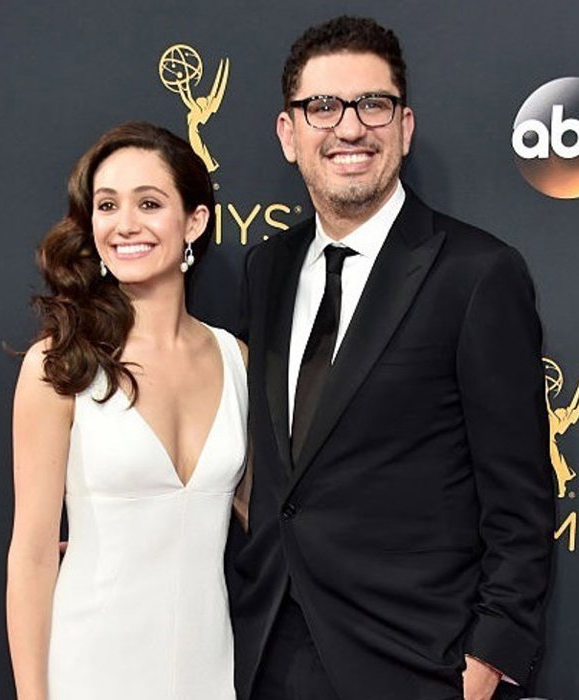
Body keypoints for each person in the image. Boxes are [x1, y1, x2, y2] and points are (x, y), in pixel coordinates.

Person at [233, 17, 554, 700]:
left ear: (404, 126)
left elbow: (519, 496)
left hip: (413, 660)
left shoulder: (476, 273)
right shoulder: (267, 267)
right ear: (289, 135)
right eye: (322, 106)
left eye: (372, 104)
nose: (349, 128)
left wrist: (490, 657)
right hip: (265, 651)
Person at [6, 121, 248, 700]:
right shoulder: (60, 364)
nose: (125, 224)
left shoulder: (235, 358)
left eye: (149, 202)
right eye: (107, 205)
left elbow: (272, 517)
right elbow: (34, 556)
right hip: (91, 669)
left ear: (194, 221)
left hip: (209, 671)